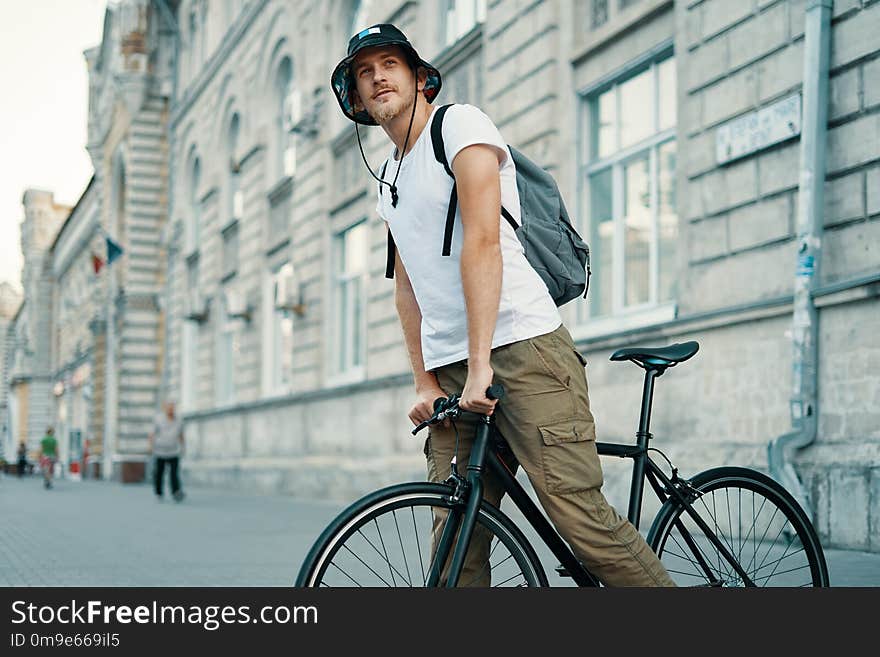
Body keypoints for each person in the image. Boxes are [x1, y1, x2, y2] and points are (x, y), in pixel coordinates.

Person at [331, 24, 675, 586]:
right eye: (365, 73)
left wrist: (483, 364)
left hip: (522, 348)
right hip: (452, 369)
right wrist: (424, 381)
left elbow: (483, 241)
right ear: (358, 98)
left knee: (579, 518)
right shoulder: (389, 177)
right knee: (455, 538)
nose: (377, 78)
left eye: (389, 64)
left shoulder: (460, 126)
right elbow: (407, 287)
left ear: (420, 78)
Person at [148, 400, 185, 502]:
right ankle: (159, 493)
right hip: (160, 450)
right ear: (165, 408)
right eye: (169, 407)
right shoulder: (158, 419)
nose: (171, 409)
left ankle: (176, 492)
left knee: (174, 473)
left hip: (174, 451)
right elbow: (151, 434)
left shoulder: (179, 420)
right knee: (159, 473)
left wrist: (183, 447)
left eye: (173, 407)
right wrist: (150, 447)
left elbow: (181, 434)